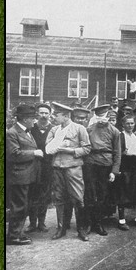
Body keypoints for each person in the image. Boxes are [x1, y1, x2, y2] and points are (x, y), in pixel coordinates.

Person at [45, 102, 91, 241]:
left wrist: (70, 150)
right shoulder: (54, 130)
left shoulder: (79, 129)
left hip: (73, 168)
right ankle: (61, 229)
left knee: (78, 198)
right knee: (59, 199)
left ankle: (81, 229)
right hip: (57, 168)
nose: (53, 117)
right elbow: (48, 148)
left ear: (65, 116)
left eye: (56, 115)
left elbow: (87, 149)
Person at [6, 105, 43, 245]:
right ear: (25, 119)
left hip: (27, 176)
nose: (35, 121)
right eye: (33, 118)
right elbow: (13, 154)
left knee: (23, 205)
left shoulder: (27, 131)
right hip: (19, 176)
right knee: (19, 206)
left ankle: (17, 233)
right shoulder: (12, 133)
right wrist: (34, 153)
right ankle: (14, 236)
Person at [83, 105, 121, 237]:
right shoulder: (89, 129)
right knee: (89, 194)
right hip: (90, 163)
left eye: (103, 116)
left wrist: (114, 171)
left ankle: (98, 223)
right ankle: (88, 223)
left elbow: (117, 153)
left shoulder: (115, 131)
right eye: (98, 116)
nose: (101, 119)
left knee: (102, 195)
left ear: (108, 116)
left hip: (105, 165)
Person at [25, 103, 54, 234]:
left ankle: (41, 223)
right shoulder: (31, 129)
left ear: (50, 115)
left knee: (45, 195)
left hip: (48, 167)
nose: (43, 115)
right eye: (41, 113)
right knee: (32, 194)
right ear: (37, 114)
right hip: (33, 166)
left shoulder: (54, 129)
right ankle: (32, 223)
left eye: (46, 113)